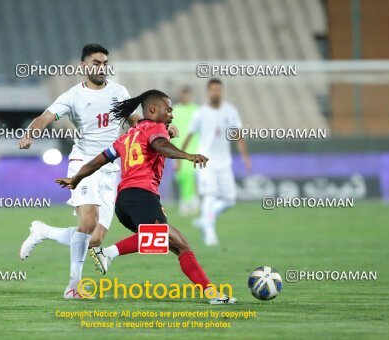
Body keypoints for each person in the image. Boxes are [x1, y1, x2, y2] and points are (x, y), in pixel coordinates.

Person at [56, 90, 236, 304]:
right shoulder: (156, 128)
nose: (171, 114)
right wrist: (188, 155)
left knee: (179, 245)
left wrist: (75, 179)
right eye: (168, 109)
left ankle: (212, 294)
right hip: (142, 195)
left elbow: (97, 162)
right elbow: (160, 145)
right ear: (152, 110)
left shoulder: (127, 136)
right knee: (158, 235)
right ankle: (108, 254)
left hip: (124, 202)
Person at [18, 43, 143, 299]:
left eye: (105, 63)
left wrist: (160, 130)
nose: (101, 68)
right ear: (84, 66)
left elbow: (137, 122)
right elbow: (45, 117)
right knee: (87, 222)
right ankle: (73, 287)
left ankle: (44, 232)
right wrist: (30, 133)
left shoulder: (119, 92)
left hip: (110, 169)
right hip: (84, 166)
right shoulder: (73, 96)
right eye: (96, 63)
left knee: (94, 238)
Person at [182, 79, 251, 246]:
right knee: (210, 194)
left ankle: (205, 219)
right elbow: (190, 134)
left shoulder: (231, 111)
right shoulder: (201, 113)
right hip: (205, 161)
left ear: (222, 91)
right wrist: (182, 157)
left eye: (218, 90)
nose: (215, 93)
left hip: (224, 162)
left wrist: (245, 157)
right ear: (208, 92)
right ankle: (209, 234)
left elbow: (238, 135)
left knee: (229, 199)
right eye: (212, 90)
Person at [172, 86, 200, 216]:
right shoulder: (175, 110)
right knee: (181, 177)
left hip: (195, 148)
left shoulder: (197, 110)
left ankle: (189, 202)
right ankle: (189, 200)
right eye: (183, 95)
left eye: (187, 95)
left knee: (191, 175)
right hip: (178, 148)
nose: (185, 97)